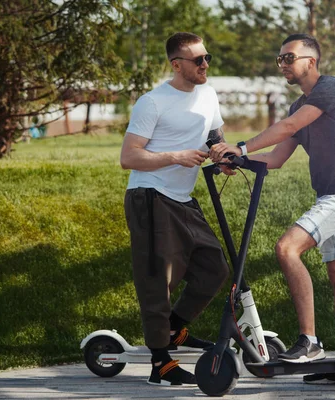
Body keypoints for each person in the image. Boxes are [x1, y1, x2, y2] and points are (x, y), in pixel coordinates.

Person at [210, 33, 335, 385]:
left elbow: (288, 128)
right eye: (280, 59)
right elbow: (278, 159)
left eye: (289, 58)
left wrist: (240, 145)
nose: (283, 64)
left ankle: (309, 343)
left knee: (286, 248)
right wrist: (238, 160)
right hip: (332, 193)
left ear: (310, 62)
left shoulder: (330, 89)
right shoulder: (300, 106)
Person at [120, 32, 232, 387]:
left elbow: (214, 135)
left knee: (214, 267)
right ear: (176, 64)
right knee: (158, 280)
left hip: (182, 198)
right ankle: (160, 363)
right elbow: (128, 157)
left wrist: (222, 154)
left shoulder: (209, 94)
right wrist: (176, 156)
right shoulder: (152, 102)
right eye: (197, 60)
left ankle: (173, 328)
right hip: (149, 196)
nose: (204, 65)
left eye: (207, 57)